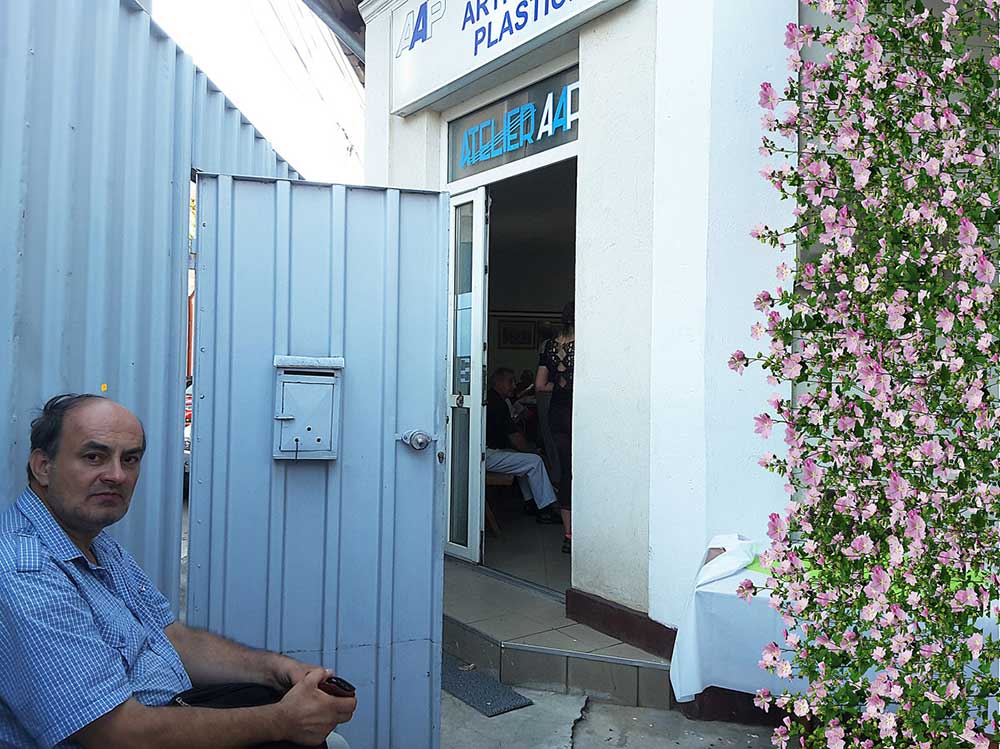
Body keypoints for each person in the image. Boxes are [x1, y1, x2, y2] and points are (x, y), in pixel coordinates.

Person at [0, 394, 356, 749]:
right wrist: (283, 720)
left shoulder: (92, 540)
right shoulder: (27, 571)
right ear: (43, 466)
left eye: (130, 459)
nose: (117, 475)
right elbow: (117, 734)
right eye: (94, 457)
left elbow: (169, 637)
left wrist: (275, 669)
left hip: (170, 709)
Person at [485, 369, 561, 523]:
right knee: (534, 462)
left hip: (489, 451)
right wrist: (535, 452)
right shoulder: (497, 404)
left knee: (524, 460)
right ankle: (546, 509)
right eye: (510, 382)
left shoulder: (495, 399)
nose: (514, 386)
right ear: (498, 383)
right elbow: (514, 437)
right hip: (486, 455)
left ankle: (530, 503)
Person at [536, 302, 575, 553]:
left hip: (556, 414)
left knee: (563, 470)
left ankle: (568, 535)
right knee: (585, 470)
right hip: (578, 413)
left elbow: (540, 385)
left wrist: (558, 387)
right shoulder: (586, 344)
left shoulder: (549, 346)